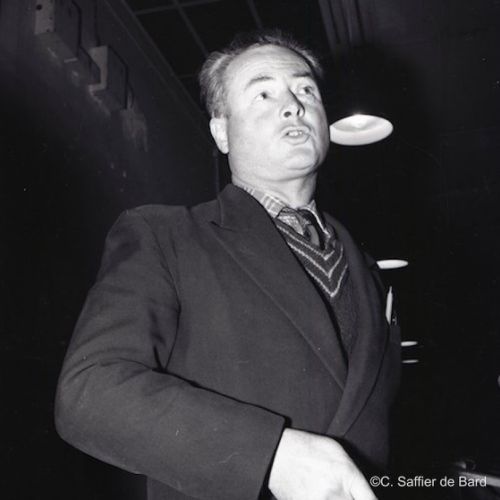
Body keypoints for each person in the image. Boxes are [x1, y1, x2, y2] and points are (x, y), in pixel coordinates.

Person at [55, 30, 400, 500]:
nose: (292, 105)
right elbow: (89, 392)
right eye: (263, 94)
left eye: (306, 89)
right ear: (221, 132)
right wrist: (270, 455)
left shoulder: (368, 271)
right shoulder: (165, 236)